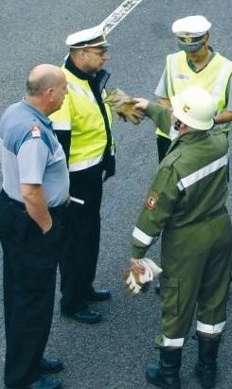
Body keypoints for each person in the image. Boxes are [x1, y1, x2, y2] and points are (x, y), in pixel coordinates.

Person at [127, 87, 232, 389]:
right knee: (214, 299)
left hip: (187, 240)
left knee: (177, 302)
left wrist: (137, 251)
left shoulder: (174, 166)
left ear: (182, 122)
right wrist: (150, 109)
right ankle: (207, 368)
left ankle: (169, 373)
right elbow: (187, 126)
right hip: (220, 229)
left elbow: (154, 214)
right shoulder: (220, 141)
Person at [0, 65, 69, 389]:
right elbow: (31, 190)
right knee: (33, 300)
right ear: (49, 93)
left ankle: (27, 356)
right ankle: (23, 378)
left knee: (17, 294)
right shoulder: (34, 133)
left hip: (10, 210)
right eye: (64, 89)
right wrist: (48, 227)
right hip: (30, 222)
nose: (66, 94)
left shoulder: (14, 111)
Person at [50, 25, 114, 325]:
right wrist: (62, 191)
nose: (106, 57)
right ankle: (72, 301)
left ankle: (85, 287)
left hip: (92, 172)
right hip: (74, 179)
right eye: (100, 52)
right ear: (81, 53)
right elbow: (59, 146)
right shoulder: (65, 88)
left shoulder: (87, 77)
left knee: (90, 234)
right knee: (75, 241)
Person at [154, 15, 232, 161]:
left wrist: (211, 121)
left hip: (208, 140)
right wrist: (174, 115)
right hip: (173, 137)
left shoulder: (227, 69)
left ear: (206, 38)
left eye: (195, 49)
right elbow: (163, 97)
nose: (190, 54)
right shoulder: (173, 61)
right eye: (186, 49)